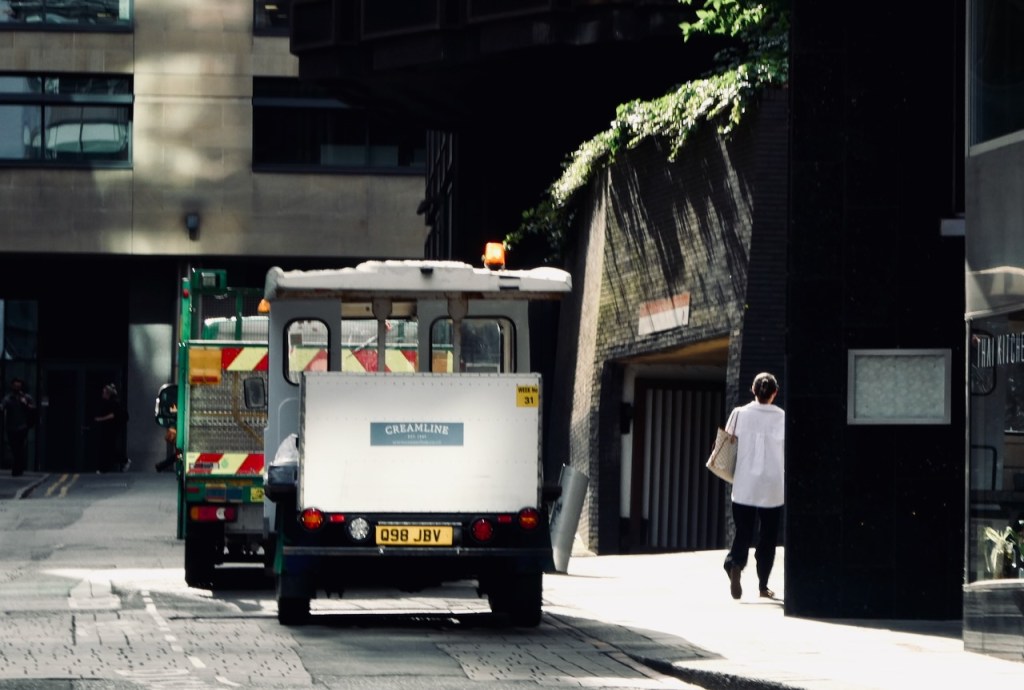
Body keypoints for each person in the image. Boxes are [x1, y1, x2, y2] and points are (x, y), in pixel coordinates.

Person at [723, 371, 785, 600]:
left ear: (753, 389)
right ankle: (763, 586)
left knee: (743, 531)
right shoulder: (782, 417)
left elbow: (727, 441)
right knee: (768, 537)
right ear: (775, 393)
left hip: (744, 484)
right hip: (773, 486)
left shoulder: (739, 414)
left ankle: (735, 564)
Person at [1, 378, 36, 477]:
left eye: (19, 386)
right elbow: (3, 406)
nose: (17, 388)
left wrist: (26, 404)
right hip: (11, 427)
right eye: (15, 386)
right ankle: (18, 467)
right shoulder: (8, 398)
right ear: (12, 387)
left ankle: (16, 469)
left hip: (22, 427)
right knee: (14, 448)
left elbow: (33, 408)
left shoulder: (26, 397)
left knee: (19, 447)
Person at [92, 383, 129, 473]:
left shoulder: (113, 403)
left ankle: (123, 461)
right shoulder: (107, 403)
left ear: (108, 394)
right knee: (107, 448)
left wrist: (100, 419)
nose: (102, 394)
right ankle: (103, 468)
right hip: (108, 428)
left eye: (104, 392)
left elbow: (112, 415)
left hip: (111, 429)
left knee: (108, 448)